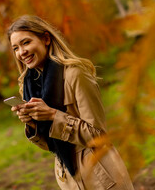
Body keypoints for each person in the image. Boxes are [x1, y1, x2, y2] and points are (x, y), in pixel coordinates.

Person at [8, 15, 134, 190]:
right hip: (67, 177)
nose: (21, 52)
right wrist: (32, 123)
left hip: (100, 174)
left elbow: (99, 136)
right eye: (16, 48)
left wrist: (53, 115)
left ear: (45, 38)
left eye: (26, 42)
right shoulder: (29, 87)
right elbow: (51, 144)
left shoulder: (75, 74)